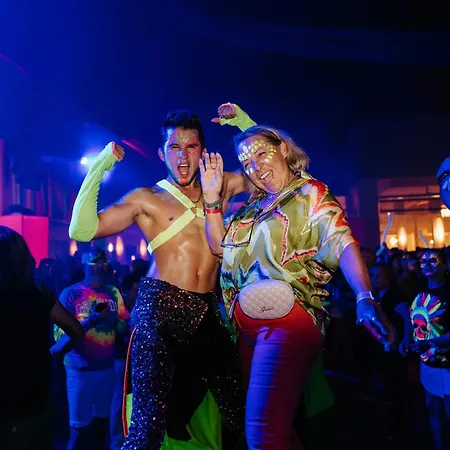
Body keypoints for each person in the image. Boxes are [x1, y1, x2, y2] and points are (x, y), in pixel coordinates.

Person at [199, 111, 393, 449]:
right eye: (246, 164)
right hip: (246, 332)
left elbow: (342, 241)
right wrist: (212, 201)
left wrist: (365, 296)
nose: (255, 167)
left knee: (262, 434)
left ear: (284, 150)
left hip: (288, 323)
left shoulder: (309, 192)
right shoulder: (249, 209)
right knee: (276, 431)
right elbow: (220, 247)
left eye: (262, 154)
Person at [68, 109, 252, 449]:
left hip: (206, 309)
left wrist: (245, 125)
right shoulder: (146, 198)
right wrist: (100, 165)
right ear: (161, 153)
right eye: (174, 147)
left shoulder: (220, 184)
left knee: (239, 410)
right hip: (159, 309)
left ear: (202, 151)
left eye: (191, 146)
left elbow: (269, 174)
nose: (183, 156)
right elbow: (81, 229)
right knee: (147, 426)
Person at [0, 226, 86, 450]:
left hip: (7, 409)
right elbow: (76, 331)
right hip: (39, 401)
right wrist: (53, 352)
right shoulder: (40, 293)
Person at [53, 248, 130, 450]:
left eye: (104, 262)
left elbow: (124, 325)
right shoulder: (70, 294)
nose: (101, 266)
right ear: (84, 265)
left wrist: (114, 322)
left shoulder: (113, 292)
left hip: (106, 369)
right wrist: (89, 321)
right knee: (78, 431)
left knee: (101, 426)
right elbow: (59, 337)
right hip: (80, 372)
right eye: (95, 262)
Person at [410, 249, 450, 450]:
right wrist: (407, 338)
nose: (426, 264)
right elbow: (412, 317)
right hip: (427, 361)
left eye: (433, 260)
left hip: (448, 364)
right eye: (422, 260)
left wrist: (433, 343)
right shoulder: (417, 289)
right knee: (433, 408)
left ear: (445, 265)